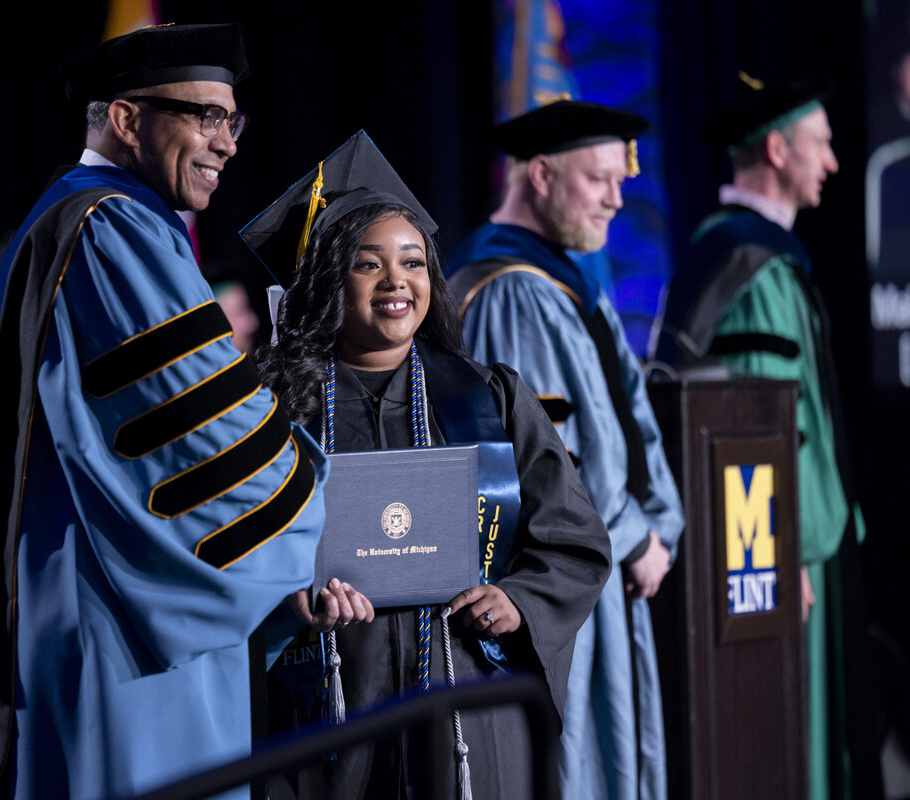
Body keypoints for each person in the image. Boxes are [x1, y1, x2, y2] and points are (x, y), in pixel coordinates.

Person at [0, 24, 329, 800]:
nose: (226, 143)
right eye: (204, 116)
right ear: (127, 119)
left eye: (232, 122)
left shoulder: (88, 219)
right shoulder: (110, 228)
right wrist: (322, 524)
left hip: (119, 589)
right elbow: (203, 439)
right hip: (127, 610)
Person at [241, 130, 611, 799]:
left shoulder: (490, 397)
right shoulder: (268, 410)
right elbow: (223, 553)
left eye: (412, 263)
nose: (396, 283)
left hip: (465, 701)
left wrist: (518, 599)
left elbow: (574, 543)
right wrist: (288, 602)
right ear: (329, 277)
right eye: (367, 263)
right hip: (328, 702)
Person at [444, 101, 685, 800]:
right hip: (559, 579)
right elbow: (552, 454)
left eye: (621, 181)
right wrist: (636, 536)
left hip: (601, 570)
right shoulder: (511, 288)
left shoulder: (562, 275)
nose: (617, 198)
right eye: (598, 180)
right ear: (541, 174)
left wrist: (654, 526)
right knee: (582, 758)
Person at [659, 76, 880, 800]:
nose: (833, 162)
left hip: (788, 543)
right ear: (778, 149)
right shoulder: (748, 268)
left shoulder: (745, 255)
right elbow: (759, 434)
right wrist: (789, 551)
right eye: (820, 144)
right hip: (779, 552)